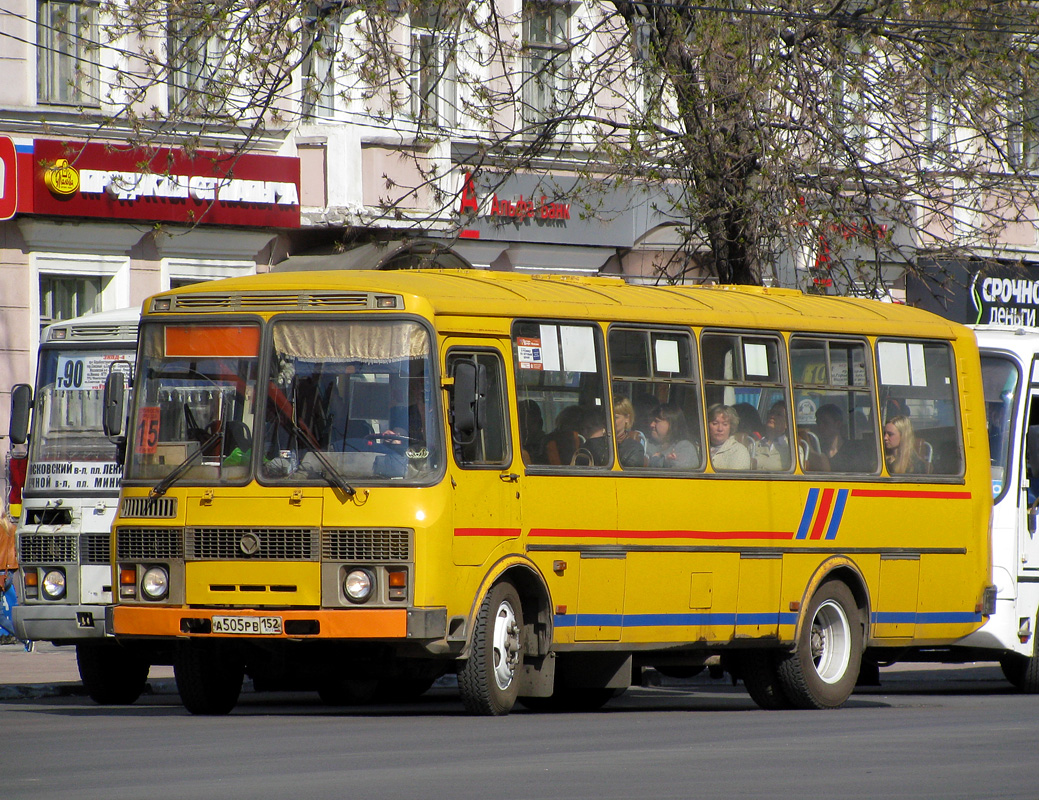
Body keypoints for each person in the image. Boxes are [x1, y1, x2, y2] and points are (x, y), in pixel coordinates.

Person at [646, 402, 698, 469]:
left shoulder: (685, 447)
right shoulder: (646, 443)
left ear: (671, 424)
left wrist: (658, 459)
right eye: (652, 421)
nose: (652, 425)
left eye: (657, 421)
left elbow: (681, 471)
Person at [707, 404, 751, 470]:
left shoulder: (739, 451)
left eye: (725, 424)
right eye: (715, 423)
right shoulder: (698, 448)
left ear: (731, 427)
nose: (720, 429)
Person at [754, 401, 791, 471]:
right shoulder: (754, 445)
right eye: (771, 412)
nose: (772, 416)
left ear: (787, 423)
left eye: (779, 414)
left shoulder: (792, 449)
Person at [613, 396, 647, 467]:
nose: (610, 420)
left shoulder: (635, 449)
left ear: (627, 418)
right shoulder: (595, 443)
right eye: (607, 416)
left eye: (615, 417)